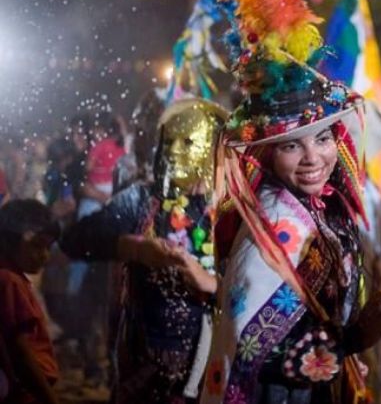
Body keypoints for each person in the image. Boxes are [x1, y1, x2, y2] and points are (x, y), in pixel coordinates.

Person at [187, 0, 381, 403]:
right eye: (291, 146)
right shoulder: (274, 227)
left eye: (322, 138)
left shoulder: (323, 206)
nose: (313, 158)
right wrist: (351, 340)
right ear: (266, 152)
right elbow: (250, 350)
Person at [59, 98, 228, 403]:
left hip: (214, 371)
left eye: (188, 141)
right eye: (169, 140)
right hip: (144, 368)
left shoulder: (236, 209)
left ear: (215, 147)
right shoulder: (142, 200)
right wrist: (134, 248)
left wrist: (212, 283)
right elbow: (74, 239)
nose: (174, 151)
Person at [0, 199, 61, 404]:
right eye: (36, 246)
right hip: (26, 394)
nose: (44, 255)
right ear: (8, 240)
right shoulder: (9, 281)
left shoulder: (11, 277)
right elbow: (21, 352)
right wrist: (49, 398)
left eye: (48, 247)